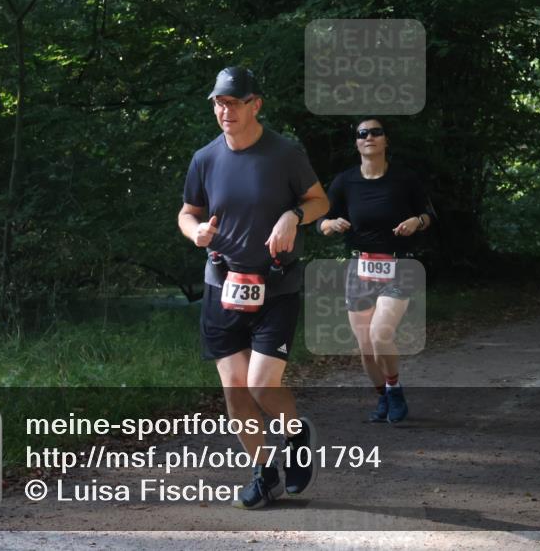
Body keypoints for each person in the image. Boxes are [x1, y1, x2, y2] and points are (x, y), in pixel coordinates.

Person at [177, 66, 329, 509]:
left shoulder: (284, 153)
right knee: (236, 391)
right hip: (222, 284)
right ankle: (264, 471)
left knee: (262, 385)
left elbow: (320, 200)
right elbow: (187, 212)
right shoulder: (205, 158)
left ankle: (297, 435)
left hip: (276, 287)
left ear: (255, 104)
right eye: (219, 103)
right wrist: (196, 232)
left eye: (234, 102)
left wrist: (293, 216)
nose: (225, 110)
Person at [318, 118, 433, 423]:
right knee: (366, 349)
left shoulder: (404, 179)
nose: (369, 137)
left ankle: (395, 390)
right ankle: (383, 396)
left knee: (380, 334)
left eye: (375, 132)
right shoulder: (344, 182)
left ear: (386, 141)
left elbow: (428, 214)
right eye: (362, 134)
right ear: (356, 143)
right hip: (360, 267)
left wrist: (416, 222)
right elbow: (321, 220)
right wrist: (330, 224)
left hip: (399, 265)